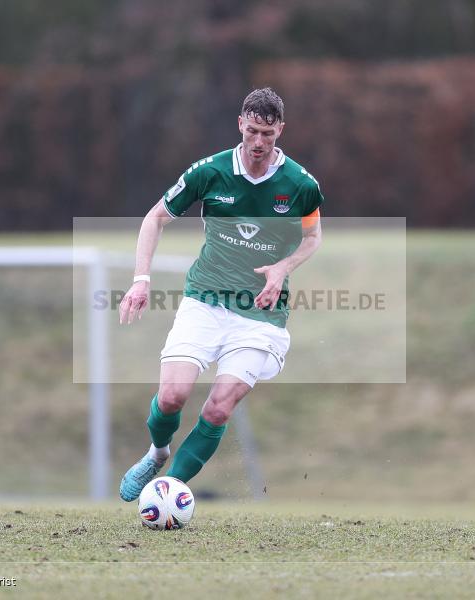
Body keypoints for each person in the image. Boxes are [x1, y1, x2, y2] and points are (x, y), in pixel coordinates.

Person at [117, 87, 324, 501]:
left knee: (217, 407)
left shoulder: (301, 185)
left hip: (261, 315)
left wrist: (283, 268)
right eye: (252, 131)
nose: (259, 142)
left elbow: (313, 237)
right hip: (205, 301)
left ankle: (168, 490)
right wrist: (141, 279)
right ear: (240, 125)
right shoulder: (209, 172)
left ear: (280, 129)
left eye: (268, 133)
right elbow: (155, 218)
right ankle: (158, 453)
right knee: (172, 396)